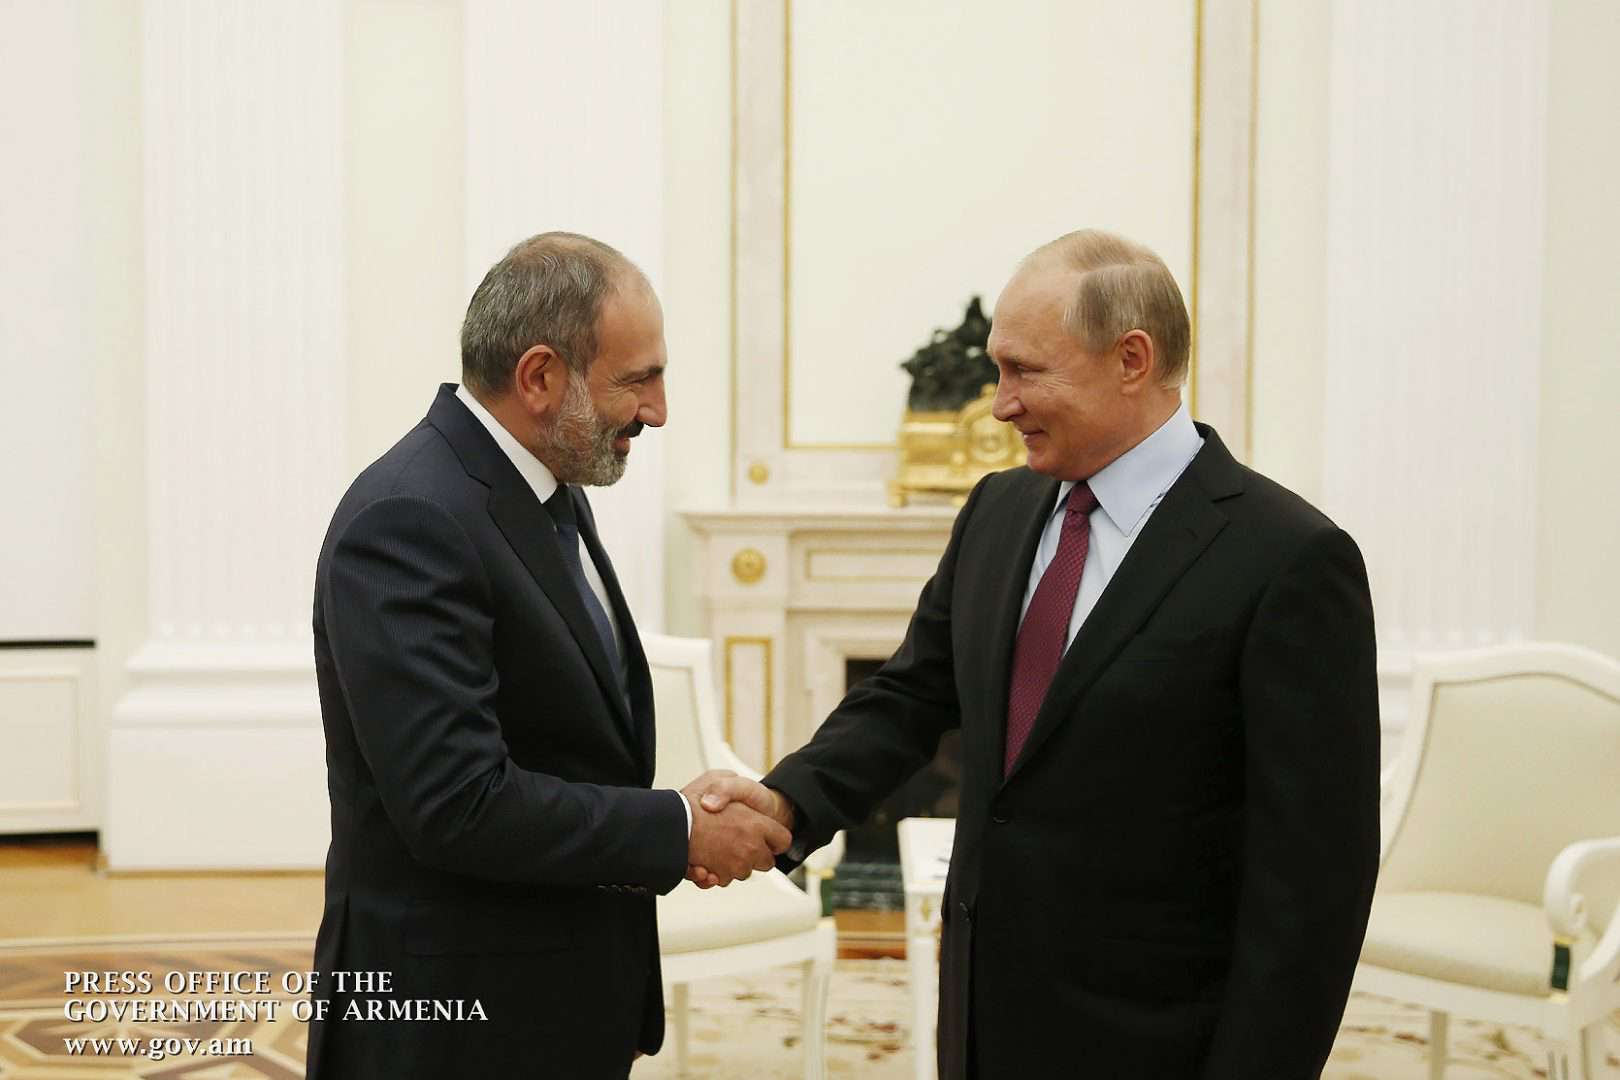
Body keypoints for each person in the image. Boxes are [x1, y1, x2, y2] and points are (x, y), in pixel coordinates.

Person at [699, 229, 1381, 1077]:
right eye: (998, 370)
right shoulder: (998, 509)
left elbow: (1312, 887)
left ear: (1131, 359)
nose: (999, 404)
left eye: (1024, 371)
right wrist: (786, 803)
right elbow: (910, 696)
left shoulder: (1289, 559)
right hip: (983, 1021)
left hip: (1156, 1043)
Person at [307, 232, 789, 1079]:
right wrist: (677, 829)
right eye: (637, 380)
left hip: (552, 997)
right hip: (454, 1024)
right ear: (539, 377)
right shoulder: (410, 519)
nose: (658, 410)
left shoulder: (543, 486)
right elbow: (457, 803)